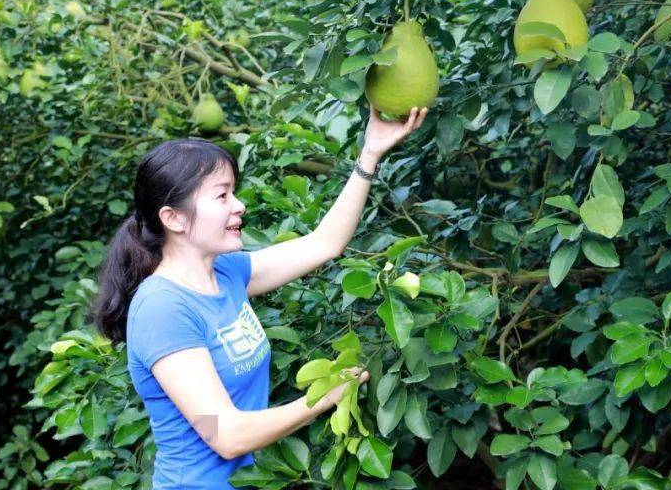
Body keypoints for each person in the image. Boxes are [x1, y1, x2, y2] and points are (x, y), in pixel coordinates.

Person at [92, 105, 427, 489]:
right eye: (221, 196)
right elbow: (227, 435)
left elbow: (325, 243)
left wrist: (370, 153)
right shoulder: (163, 310)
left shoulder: (226, 273)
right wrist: (323, 396)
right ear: (174, 219)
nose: (239, 205)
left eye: (233, 191)